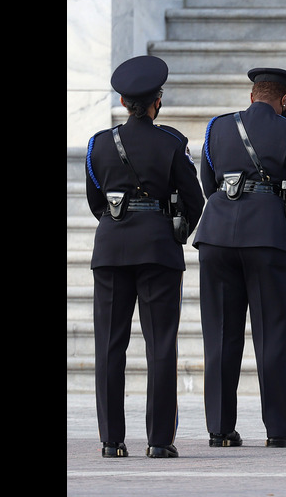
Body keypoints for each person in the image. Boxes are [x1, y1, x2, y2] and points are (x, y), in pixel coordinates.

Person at [86, 55, 204, 458]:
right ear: (158, 101)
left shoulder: (98, 144)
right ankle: (158, 441)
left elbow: (95, 202)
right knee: (161, 346)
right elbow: (195, 200)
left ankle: (111, 441)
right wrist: (176, 231)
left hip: (111, 250)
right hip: (158, 250)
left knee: (109, 347)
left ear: (123, 101)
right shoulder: (171, 143)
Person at [193, 67, 286, 448]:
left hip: (216, 238)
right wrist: (284, 222)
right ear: (285, 100)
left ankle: (219, 429)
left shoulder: (217, 127)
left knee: (220, 334)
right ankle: (278, 430)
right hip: (267, 238)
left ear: (251, 97)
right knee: (271, 335)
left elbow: (208, 182)